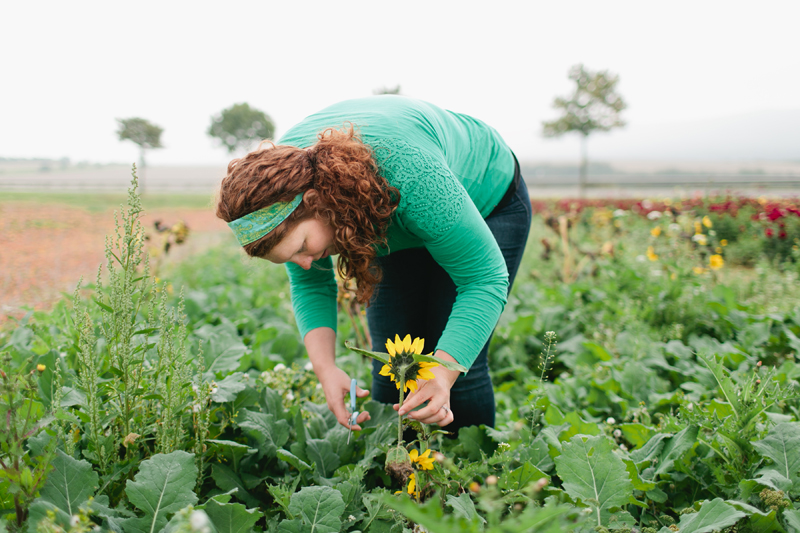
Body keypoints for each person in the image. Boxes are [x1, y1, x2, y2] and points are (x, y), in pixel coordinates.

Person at [216, 95, 531, 435]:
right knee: (396, 368)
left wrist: (443, 374)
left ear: (315, 202)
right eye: (290, 259)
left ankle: (474, 480)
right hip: (381, 208)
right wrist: (326, 369)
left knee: (454, 368)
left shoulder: (409, 173)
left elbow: (484, 280)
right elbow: (310, 284)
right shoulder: (278, 195)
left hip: (485, 195)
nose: (304, 264)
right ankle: (400, 475)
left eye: (303, 248)